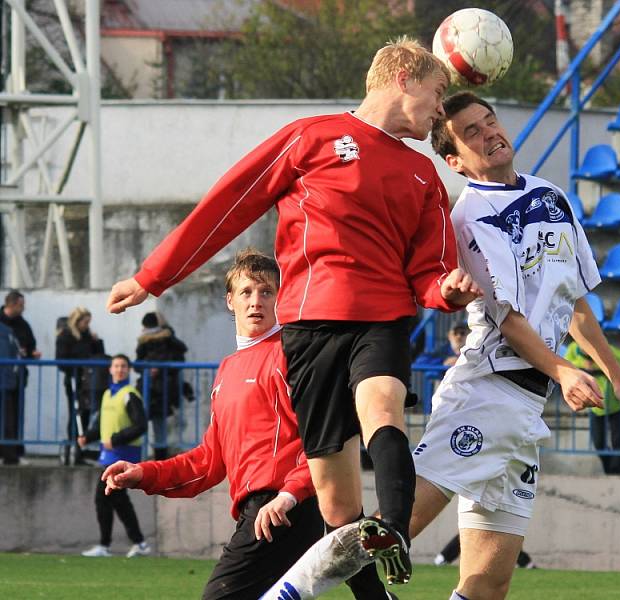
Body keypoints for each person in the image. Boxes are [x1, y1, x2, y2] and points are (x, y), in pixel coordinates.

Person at [106, 37, 481, 587]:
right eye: (438, 91)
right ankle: (376, 577)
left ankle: (395, 530)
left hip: (382, 319)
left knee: (384, 405)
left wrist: (446, 290)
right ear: (403, 77)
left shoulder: (425, 175)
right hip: (308, 328)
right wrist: (152, 276)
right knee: (334, 505)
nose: (441, 109)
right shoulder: (312, 137)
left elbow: (431, 272)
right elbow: (228, 204)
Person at [262, 91, 620, 600]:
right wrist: (563, 371)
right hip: (488, 391)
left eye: (490, 121)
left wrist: (618, 379)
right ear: (454, 161)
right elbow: (507, 320)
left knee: (489, 582)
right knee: (391, 529)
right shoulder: (468, 217)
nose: (489, 132)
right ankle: (283, 594)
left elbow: (573, 301)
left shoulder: (551, 196)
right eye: (471, 132)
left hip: (527, 410)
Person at [102, 250, 326, 598]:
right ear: (229, 300)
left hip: (283, 511)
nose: (256, 301)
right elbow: (208, 462)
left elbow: (322, 440)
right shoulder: (227, 370)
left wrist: (288, 496)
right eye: (247, 292)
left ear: (281, 298)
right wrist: (144, 473)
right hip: (259, 512)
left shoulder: (289, 355)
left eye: (267, 292)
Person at [78, 353, 151, 558]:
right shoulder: (108, 394)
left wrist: (116, 439)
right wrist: (87, 436)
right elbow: (103, 423)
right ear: (110, 370)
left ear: (128, 370)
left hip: (123, 455)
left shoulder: (129, 394)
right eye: (116, 366)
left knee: (105, 498)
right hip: (109, 456)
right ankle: (137, 543)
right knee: (117, 501)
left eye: (123, 366)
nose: (119, 369)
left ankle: (109, 545)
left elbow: (141, 425)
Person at [564, 340, 620, 475]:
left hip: (616, 405)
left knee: (617, 443)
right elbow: (565, 364)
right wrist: (583, 367)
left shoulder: (607, 349)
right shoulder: (573, 349)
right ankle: (609, 472)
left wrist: (600, 367)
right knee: (598, 443)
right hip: (596, 406)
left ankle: (617, 475)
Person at [135, 311, 191, 460]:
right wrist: (149, 368)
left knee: (157, 426)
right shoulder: (150, 341)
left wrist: (157, 368)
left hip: (159, 389)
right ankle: (154, 457)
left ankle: (157, 458)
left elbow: (177, 361)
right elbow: (138, 364)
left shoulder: (165, 340)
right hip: (155, 388)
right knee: (150, 425)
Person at [56, 307, 105, 465]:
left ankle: (81, 446)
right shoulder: (66, 336)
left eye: (88, 322)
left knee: (85, 414)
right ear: (76, 321)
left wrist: (97, 342)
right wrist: (75, 369)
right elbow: (61, 360)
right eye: (85, 322)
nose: (87, 325)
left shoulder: (87, 336)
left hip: (88, 381)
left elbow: (98, 355)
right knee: (75, 413)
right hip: (74, 380)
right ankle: (74, 446)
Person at [0, 290, 40, 462]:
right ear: (12, 304)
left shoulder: (23, 324)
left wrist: (30, 353)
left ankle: (13, 454)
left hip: (16, 379)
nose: (23, 308)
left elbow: (30, 346)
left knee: (14, 416)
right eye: (21, 305)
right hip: (3, 377)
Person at [0, 321, 22, 465]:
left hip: (5, 383)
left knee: (7, 420)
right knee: (7, 420)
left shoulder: (6, 332)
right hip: (6, 383)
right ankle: (10, 455)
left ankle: (10, 455)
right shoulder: (7, 332)